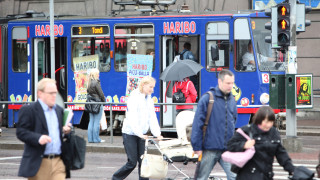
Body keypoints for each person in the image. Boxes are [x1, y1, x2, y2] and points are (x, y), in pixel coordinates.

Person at [16, 78, 72, 180]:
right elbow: (21, 132)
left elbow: (61, 132)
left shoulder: (59, 110)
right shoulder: (29, 110)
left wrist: (66, 131)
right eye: (50, 93)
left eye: (55, 93)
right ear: (40, 94)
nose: (54, 96)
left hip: (58, 161)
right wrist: (38, 138)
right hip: (39, 162)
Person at [112, 76, 163, 180]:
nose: (152, 90)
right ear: (143, 85)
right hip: (130, 133)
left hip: (142, 134)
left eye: (153, 87)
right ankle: (115, 178)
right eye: (150, 87)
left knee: (143, 161)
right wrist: (140, 134)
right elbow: (132, 118)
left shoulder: (149, 100)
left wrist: (157, 133)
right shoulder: (134, 97)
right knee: (132, 162)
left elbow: (152, 117)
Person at [191, 69, 237, 180]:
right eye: (228, 83)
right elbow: (197, 124)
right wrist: (197, 146)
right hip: (209, 148)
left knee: (234, 177)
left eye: (232, 83)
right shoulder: (207, 98)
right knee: (201, 177)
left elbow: (233, 121)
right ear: (220, 82)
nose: (230, 86)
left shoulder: (232, 100)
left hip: (226, 148)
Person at [227, 106, 295, 180]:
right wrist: (244, 145)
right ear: (259, 120)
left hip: (266, 175)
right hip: (247, 175)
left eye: (271, 122)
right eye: (266, 122)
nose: (268, 125)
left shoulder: (274, 133)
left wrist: (291, 169)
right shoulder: (247, 130)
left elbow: (281, 154)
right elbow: (230, 145)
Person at [87, 68, 106, 143]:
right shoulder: (96, 82)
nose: (99, 75)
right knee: (97, 122)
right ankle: (96, 139)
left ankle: (90, 139)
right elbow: (101, 93)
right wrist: (104, 102)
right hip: (97, 103)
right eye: (98, 73)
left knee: (91, 121)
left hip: (91, 104)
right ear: (95, 74)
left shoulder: (89, 82)